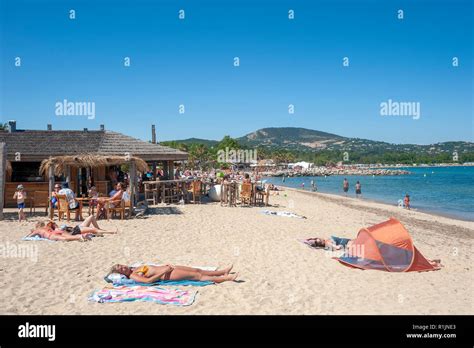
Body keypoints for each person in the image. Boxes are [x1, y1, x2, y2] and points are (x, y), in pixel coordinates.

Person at [110, 264, 238, 284]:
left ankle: (222, 272)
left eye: (121, 265)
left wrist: (164, 265)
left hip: (169, 268)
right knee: (198, 277)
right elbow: (148, 282)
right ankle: (227, 278)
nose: (123, 267)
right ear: (123, 274)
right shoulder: (133, 275)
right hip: (167, 274)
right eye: (121, 269)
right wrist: (164, 271)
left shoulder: (134, 268)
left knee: (197, 270)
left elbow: (151, 267)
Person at [26, 221, 93, 242]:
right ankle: (83, 236)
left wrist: (31, 232)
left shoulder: (38, 230)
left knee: (65, 239)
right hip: (56, 231)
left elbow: (28, 236)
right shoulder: (47, 227)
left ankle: (79, 237)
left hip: (51, 235)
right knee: (69, 236)